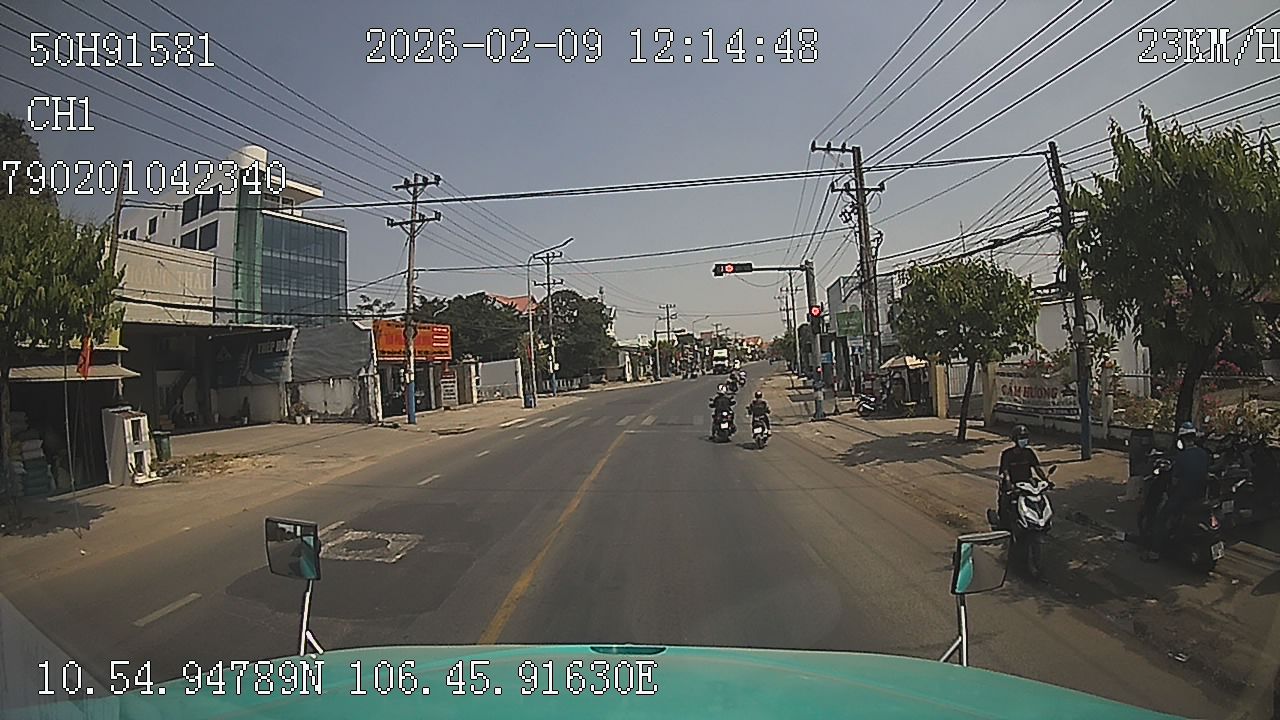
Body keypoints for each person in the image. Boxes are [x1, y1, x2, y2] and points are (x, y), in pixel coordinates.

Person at [1143, 422, 1211, 562]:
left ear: (1182, 439)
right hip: (1200, 496)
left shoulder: (1182, 457)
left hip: (1183, 496)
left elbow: (1174, 481)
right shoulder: (1203, 454)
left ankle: (1154, 552)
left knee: (1161, 517)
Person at [997, 425, 1049, 528]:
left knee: (1039, 499)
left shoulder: (1029, 453)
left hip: (1028, 484)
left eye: (1025, 437)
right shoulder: (1007, 454)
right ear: (1015, 439)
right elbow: (1005, 472)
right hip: (1013, 483)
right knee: (1005, 501)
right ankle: (1003, 524)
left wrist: (1046, 480)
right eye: (1021, 438)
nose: (1024, 440)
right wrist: (1009, 484)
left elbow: (1037, 468)